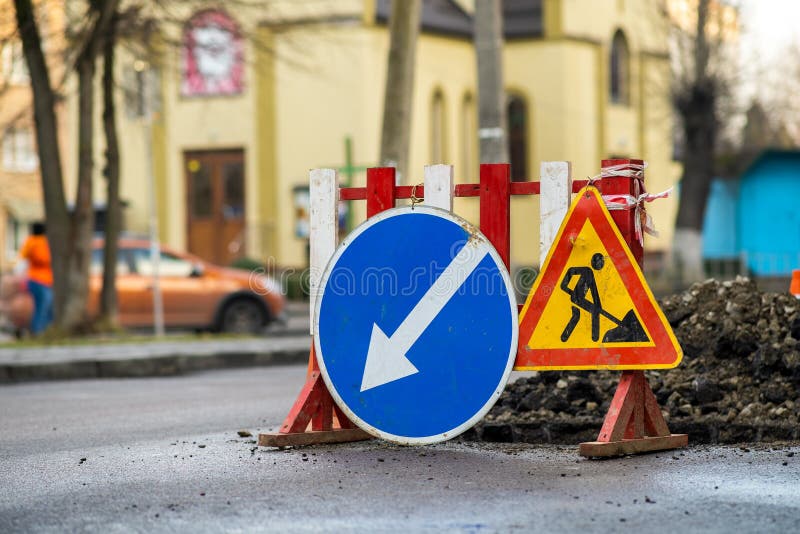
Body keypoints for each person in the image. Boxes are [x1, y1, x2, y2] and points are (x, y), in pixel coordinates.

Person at [19, 221, 53, 335]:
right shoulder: (41, 242)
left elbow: (23, 258)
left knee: (41, 306)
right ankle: (39, 330)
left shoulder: (29, 241)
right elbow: (44, 259)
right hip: (41, 280)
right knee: (44, 306)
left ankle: (42, 329)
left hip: (34, 279)